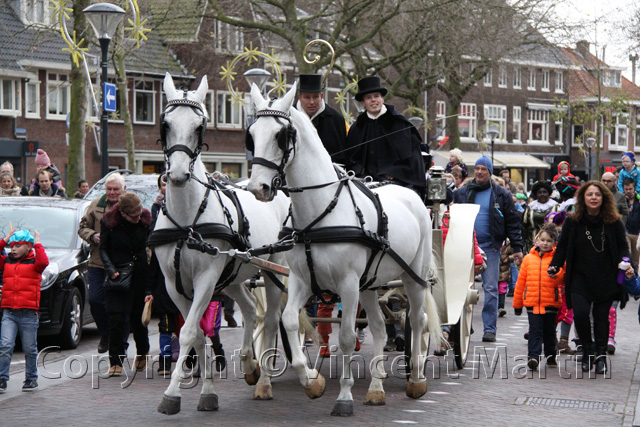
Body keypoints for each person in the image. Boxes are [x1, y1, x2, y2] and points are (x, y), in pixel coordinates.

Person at [548, 181, 630, 374]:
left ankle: (601, 356)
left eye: (597, 195)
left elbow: (622, 247)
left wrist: (626, 265)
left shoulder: (614, 222)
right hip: (579, 277)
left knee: (602, 318)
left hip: (606, 277)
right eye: (590, 194)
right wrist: (555, 265)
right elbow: (562, 247)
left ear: (604, 199)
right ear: (583, 198)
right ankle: (587, 351)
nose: (594, 198)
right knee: (581, 314)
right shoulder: (572, 221)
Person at [453, 155, 524, 342]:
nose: (479, 172)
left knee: (491, 288)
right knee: (460, 287)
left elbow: (512, 222)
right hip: (464, 245)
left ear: (490, 172)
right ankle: (462, 326)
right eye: (477, 168)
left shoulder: (501, 194)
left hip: (490, 247)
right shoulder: (462, 192)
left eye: (484, 169)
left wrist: (517, 248)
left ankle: (490, 329)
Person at [346, 76, 427, 197]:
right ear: (363, 103)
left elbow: (413, 161)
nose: (373, 100)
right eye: (368, 98)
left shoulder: (400, 123)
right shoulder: (357, 127)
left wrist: (394, 172)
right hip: (364, 182)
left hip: (396, 182)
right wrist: (359, 168)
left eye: (376, 96)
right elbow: (351, 159)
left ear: (382, 99)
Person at [99, 193, 152, 376]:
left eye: (139, 214)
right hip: (118, 275)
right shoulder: (109, 222)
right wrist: (109, 268)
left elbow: (150, 248)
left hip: (139, 274)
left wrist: (150, 286)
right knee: (116, 319)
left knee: (139, 319)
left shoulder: (145, 221)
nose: (138, 218)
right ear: (122, 213)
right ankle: (115, 361)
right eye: (134, 216)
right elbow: (103, 248)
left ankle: (143, 350)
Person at [78, 172, 126, 354]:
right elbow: (82, 227)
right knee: (96, 301)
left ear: (124, 189)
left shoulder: (130, 205)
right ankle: (106, 334)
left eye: (116, 189)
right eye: (109, 189)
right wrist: (93, 236)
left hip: (122, 264)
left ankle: (120, 344)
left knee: (120, 306)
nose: (112, 193)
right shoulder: (95, 205)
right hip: (98, 261)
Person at [0, 229, 49, 393]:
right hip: (9, 312)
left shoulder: (35, 262)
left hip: (28, 313)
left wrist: (38, 243)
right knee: (5, 345)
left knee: (30, 348)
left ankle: (31, 378)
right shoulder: (6, 261)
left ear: (28, 247)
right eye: (11, 246)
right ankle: (2, 379)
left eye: (18, 245)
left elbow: (44, 263)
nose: (13, 249)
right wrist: (4, 239)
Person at [513, 223, 564, 371]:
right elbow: (520, 283)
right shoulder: (528, 259)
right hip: (532, 302)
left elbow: (563, 279)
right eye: (543, 240)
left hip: (550, 303)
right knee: (535, 331)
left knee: (549, 332)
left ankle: (550, 356)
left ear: (554, 243)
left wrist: (557, 273)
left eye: (549, 241)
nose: (545, 243)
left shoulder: (557, 259)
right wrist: (517, 305)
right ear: (537, 241)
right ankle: (533, 357)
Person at [296, 74, 349, 165]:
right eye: (307, 97)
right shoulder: (290, 117)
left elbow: (343, 157)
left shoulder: (336, 120)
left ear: (321, 96)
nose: (312, 102)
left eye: (315, 97)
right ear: (299, 97)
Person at [521, 181, 558, 254]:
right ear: (536, 194)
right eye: (539, 192)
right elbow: (524, 226)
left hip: (551, 246)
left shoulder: (556, 207)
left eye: (545, 192)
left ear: (549, 193)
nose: (542, 194)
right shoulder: (530, 208)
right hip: (532, 244)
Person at [623, 178, 640, 267]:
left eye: (630, 189)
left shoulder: (638, 199)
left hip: (637, 233)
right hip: (626, 231)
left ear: (634, 188)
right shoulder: (622, 200)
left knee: (636, 260)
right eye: (626, 189)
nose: (628, 191)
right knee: (627, 256)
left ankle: (634, 279)